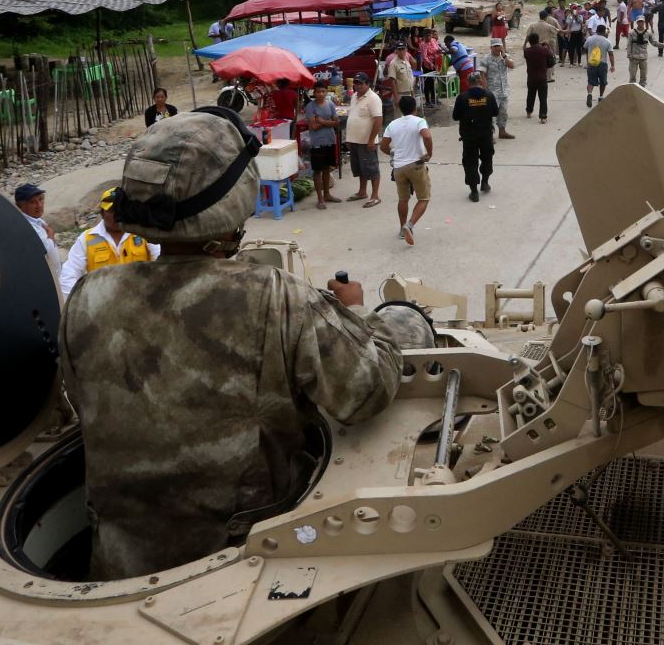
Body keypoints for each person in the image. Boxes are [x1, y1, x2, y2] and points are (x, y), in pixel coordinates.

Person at [65, 108, 402, 578]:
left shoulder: (86, 297)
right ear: (236, 203)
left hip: (119, 565)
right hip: (240, 565)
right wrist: (370, 314)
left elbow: (84, 402)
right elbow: (366, 392)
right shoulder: (275, 295)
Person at [59, 188, 160, 298]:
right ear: (102, 213)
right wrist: (77, 301)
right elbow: (69, 273)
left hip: (140, 300)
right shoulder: (86, 239)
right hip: (102, 305)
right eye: (112, 211)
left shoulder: (144, 232)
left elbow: (161, 260)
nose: (117, 215)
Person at [380, 94, 433, 243]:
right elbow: (427, 136)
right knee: (423, 198)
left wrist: (393, 153)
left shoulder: (392, 124)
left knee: (403, 199)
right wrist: (429, 154)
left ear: (400, 108)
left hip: (398, 167)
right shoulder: (419, 121)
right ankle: (409, 225)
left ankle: (402, 229)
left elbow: (383, 146)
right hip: (416, 165)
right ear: (415, 108)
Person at [452, 70, 499, 201]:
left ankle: (474, 192)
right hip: (486, 134)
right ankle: (485, 182)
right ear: (481, 81)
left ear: (468, 83)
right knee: (487, 158)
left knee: (470, 162)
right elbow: (495, 112)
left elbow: (455, 117)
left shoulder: (462, 97)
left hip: (469, 136)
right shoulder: (489, 95)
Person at [343, 73, 384, 208]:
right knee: (360, 168)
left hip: (367, 141)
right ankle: (362, 192)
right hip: (355, 140)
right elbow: (353, 116)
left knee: (372, 168)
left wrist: (371, 139)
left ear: (367, 84)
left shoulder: (373, 98)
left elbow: (378, 120)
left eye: (360, 83)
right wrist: (349, 138)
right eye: (356, 83)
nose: (357, 85)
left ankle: (375, 195)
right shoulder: (354, 96)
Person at [299, 86, 342, 210]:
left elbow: (337, 122)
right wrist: (329, 122)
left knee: (327, 169)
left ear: (326, 92)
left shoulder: (330, 105)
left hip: (330, 140)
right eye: (318, 92)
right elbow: (313, 127)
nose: (321, 94)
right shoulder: (310, 107)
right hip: (317, 143)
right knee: (317, 171)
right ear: (314, 93)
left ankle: (327, 194)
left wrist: (322, 121)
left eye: (323, 91)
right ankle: (320, 198)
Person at [13, 182, 59, 263]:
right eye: (32, 202)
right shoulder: (27, 227)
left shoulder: (37, 220)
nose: (39, 205)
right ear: (21, 206)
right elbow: (48, 251)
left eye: (41, 199)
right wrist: (51, 233)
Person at [483, 38, 516, 140]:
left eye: (499, 46)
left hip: (504, 90)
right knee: (491, 114)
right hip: (492, 92)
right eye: (495, 46)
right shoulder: (486, 59)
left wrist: (505, 56)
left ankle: (502, 132)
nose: (497, 48)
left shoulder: (505, 58)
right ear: (491, 48)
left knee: (503, 112)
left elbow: (512, 66)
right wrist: (485, 90)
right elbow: (482, 75)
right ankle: (489, 135)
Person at [583, 22, 616, 106]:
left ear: (596, 31)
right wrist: (612, 65)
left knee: (590, 81)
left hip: (591, 63)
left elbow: (584, 48)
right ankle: (601, 97)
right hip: (602, 63)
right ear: (604, 31)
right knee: (603, 82)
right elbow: (611, 54)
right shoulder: (607, 41)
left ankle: (589, 94)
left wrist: (589, 54)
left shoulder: (590, 38)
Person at [626, 18, 653, 86]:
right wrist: (629, 54)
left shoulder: (648, 33)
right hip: (634, 57)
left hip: (643, 58)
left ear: (644, 22)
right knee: (632, 77)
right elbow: (629, 44)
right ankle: (632, 91)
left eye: (642, 22)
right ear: (637, 23)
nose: (641, 23)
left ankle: (642, 90)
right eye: (639, 22)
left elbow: (654, 42)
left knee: (643, 78)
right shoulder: (632, 33)